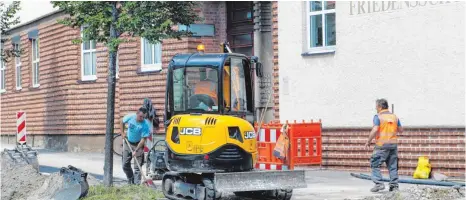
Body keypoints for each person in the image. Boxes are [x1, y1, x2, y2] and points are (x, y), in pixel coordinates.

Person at [365, 98, 403, 192]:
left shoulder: (378, 116)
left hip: (381, 145)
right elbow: (401, 130)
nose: (376, 109)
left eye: (376, 107)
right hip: (393, 145)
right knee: (393, 166)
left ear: (380, 107)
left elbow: (375, 130)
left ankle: (378, 184)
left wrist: (368, 141)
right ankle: (394, 186)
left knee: (375, 164)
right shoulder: (395, 117)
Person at [121, 107, 151, 184]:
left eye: (143, 117)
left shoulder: (145, 125)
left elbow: (143, 139)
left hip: (138, 144)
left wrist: (136, 150)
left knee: (137, 167)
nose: (142, 119)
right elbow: (122, 121)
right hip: (128, 142)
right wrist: (122, 132)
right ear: (137, 113)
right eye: (140, 116)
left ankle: (136, 185)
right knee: (125, 164)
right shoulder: (131, 117)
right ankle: (131, 178)